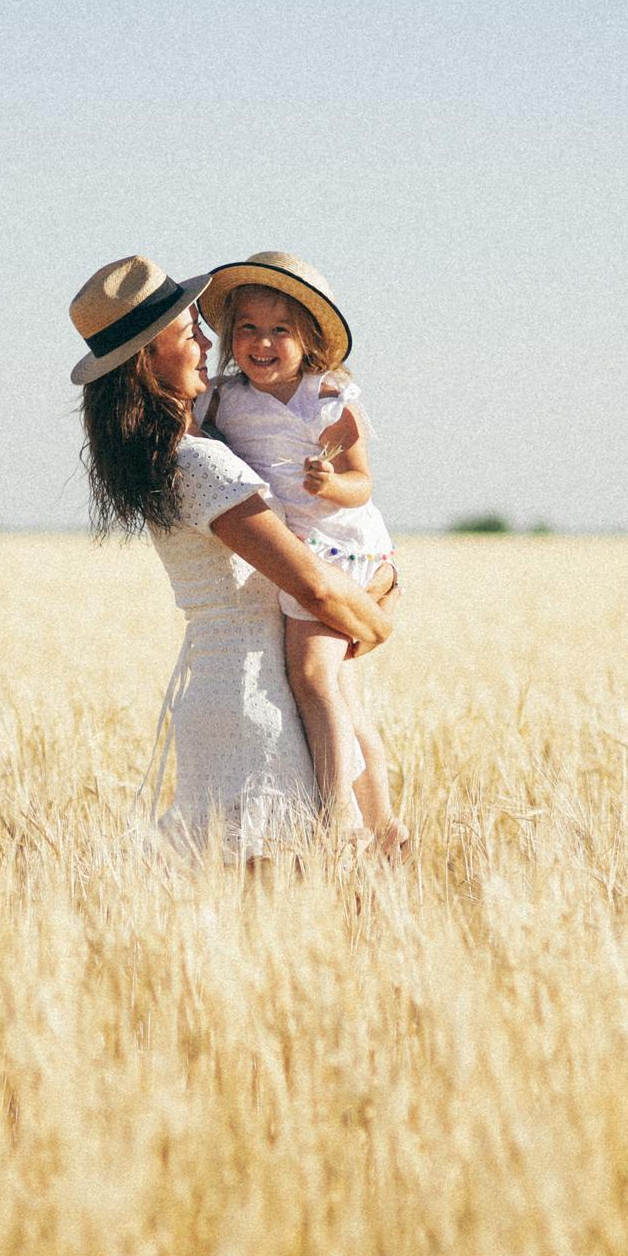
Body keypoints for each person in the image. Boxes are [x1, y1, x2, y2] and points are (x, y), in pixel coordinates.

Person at [70, 254, 398, 859]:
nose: (208, 343)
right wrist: (378, 619)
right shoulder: (201, 463)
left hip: (241, 695)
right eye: (189, 334)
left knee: (252, 899)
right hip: (257, 706)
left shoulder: (187, 445)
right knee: (277, 887)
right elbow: (314, 588)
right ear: (147, 359)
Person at [197, 253, 409, 855]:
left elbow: (362, 483)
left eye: (279, 330)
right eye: (247, 328)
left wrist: (330, 484)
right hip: (296, 551)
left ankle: (337, 816)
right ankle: (384, 824)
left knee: (313, 676)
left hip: (336, 549)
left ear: (310, 339)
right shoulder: (223, 401)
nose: (261, 343)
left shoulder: (329, 400)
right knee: (339, 688)